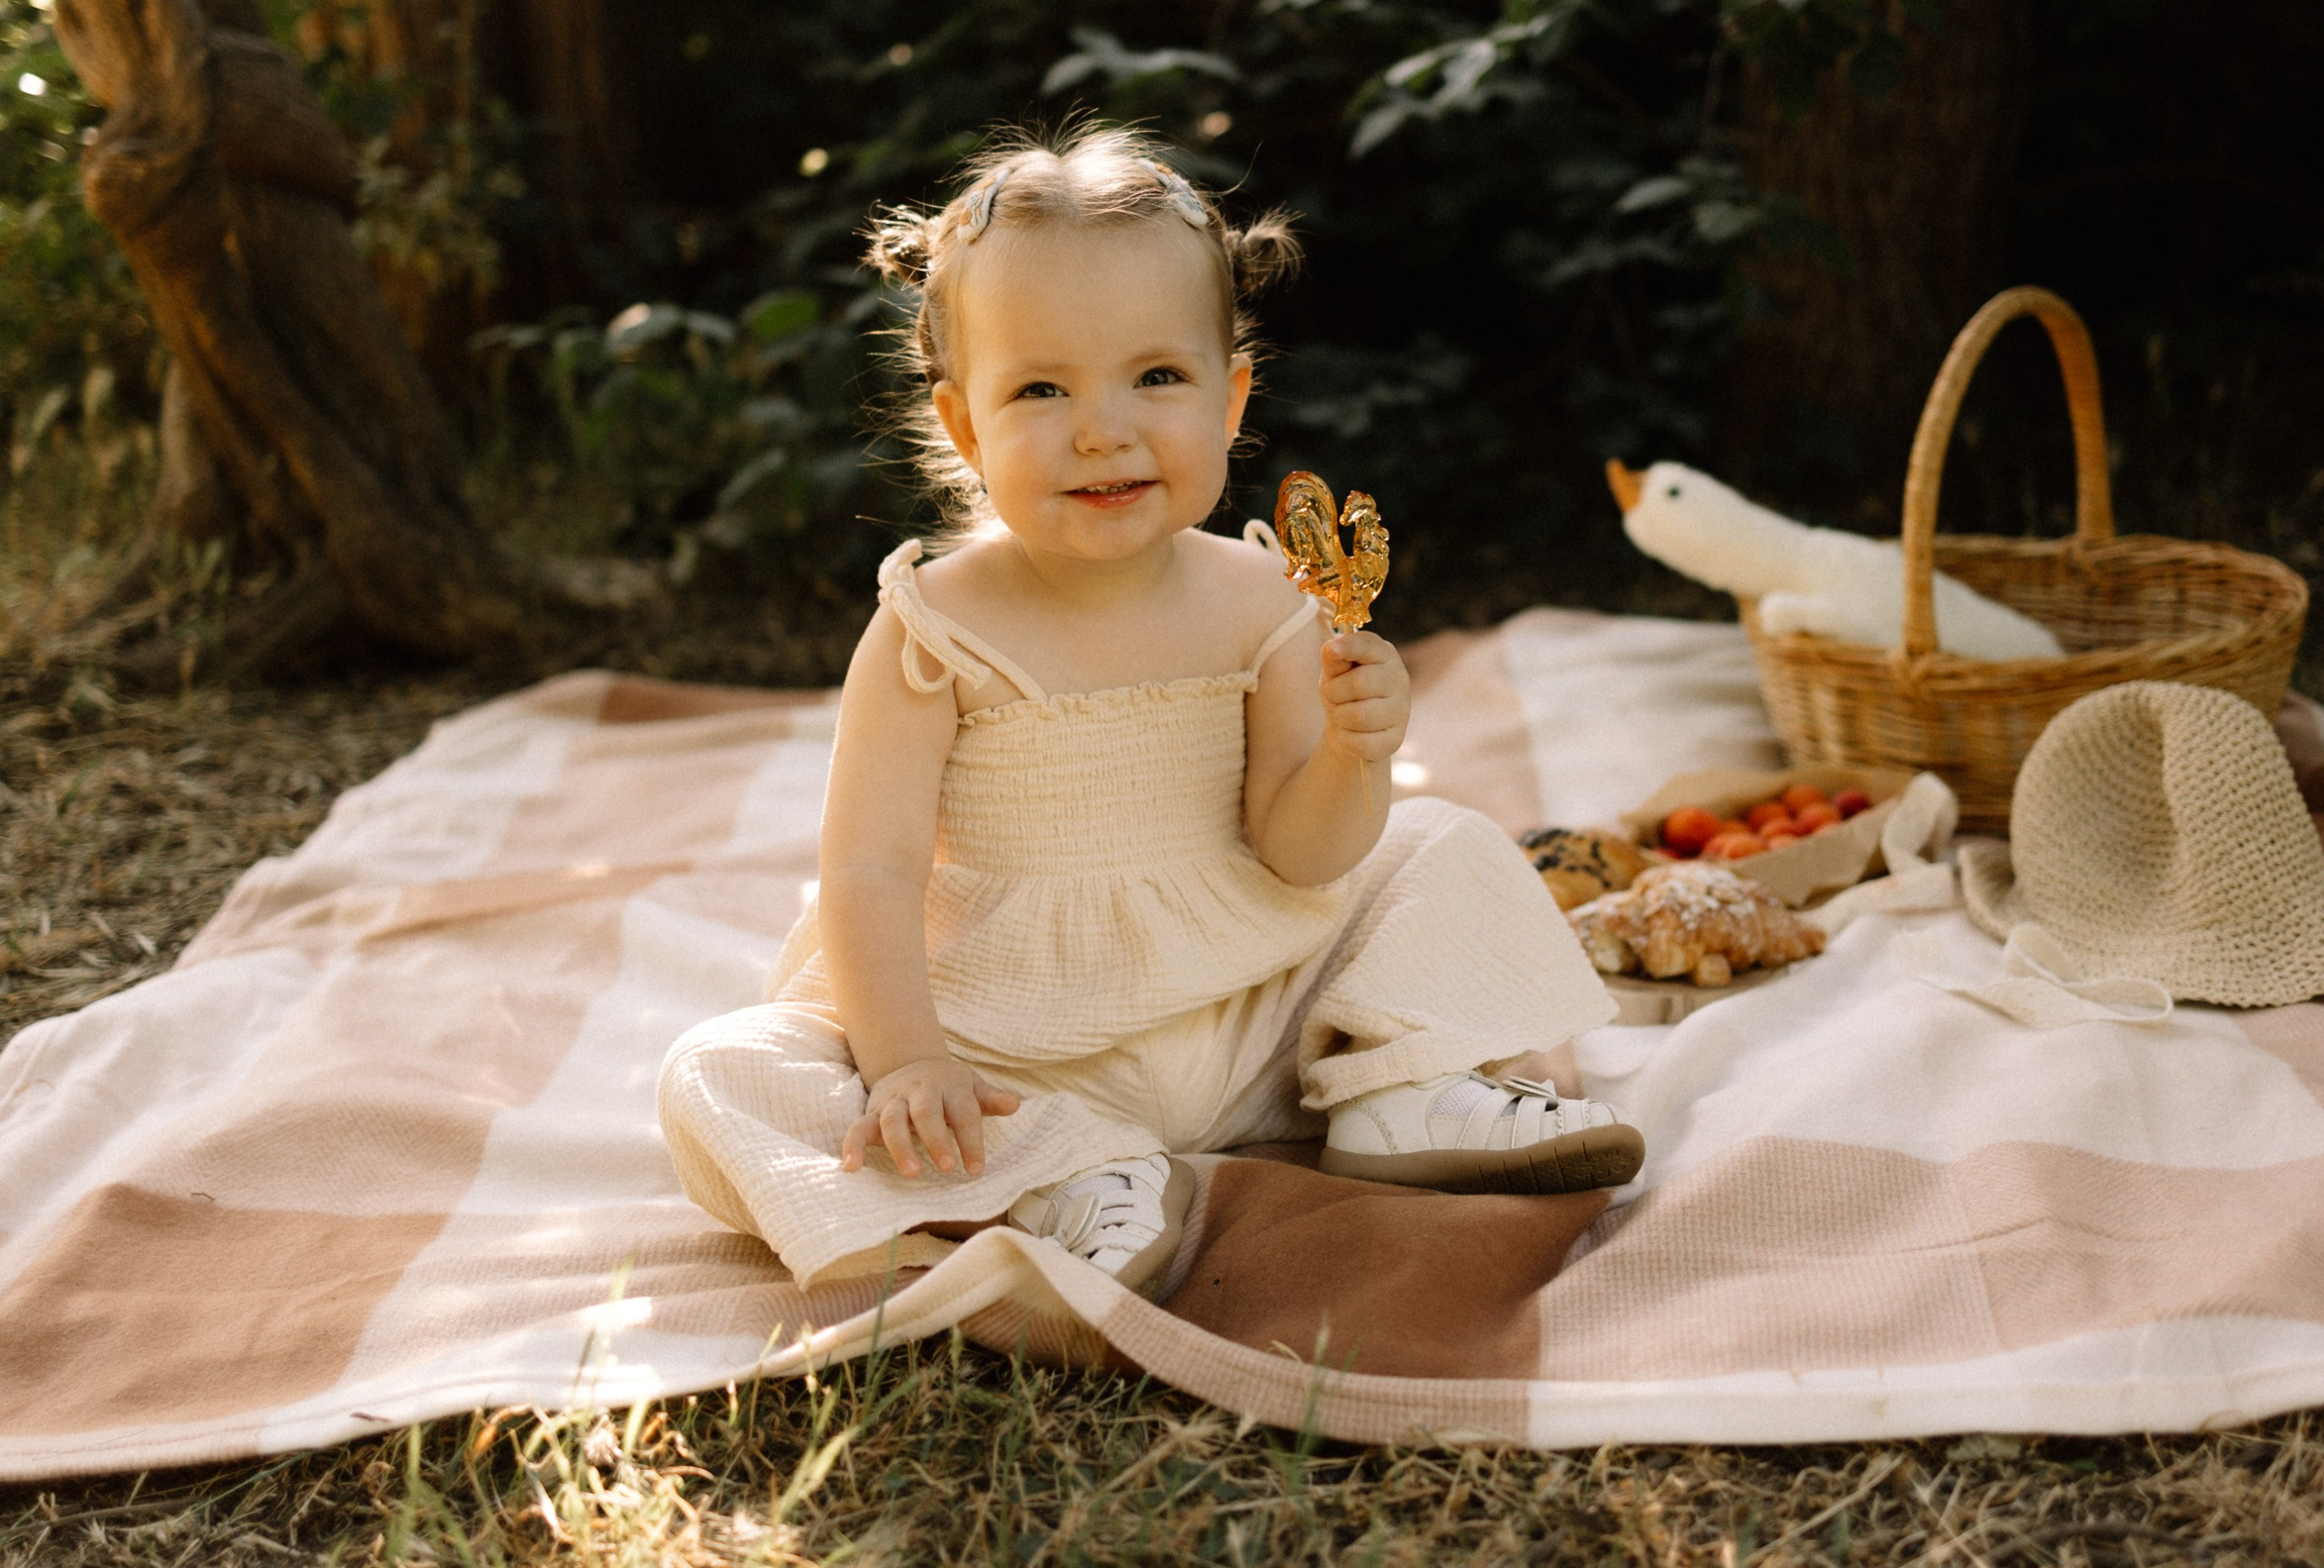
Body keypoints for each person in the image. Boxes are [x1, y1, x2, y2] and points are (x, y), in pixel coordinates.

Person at [658, 126, 1640, 1300]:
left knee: (1444, 843)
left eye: (1155, 377)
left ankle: (1392, 1095)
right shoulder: (934, 628)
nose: (1101, 427)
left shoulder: (1266, 596)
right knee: (720, 1071)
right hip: (1015, 1049)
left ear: (1229, 399)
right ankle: (1073, 1178)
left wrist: (1355, 756)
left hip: (1251, 1022)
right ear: (965, 426)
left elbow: (1301, 847)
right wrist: (911, 1058)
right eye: (1040, 388)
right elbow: (867, 870)